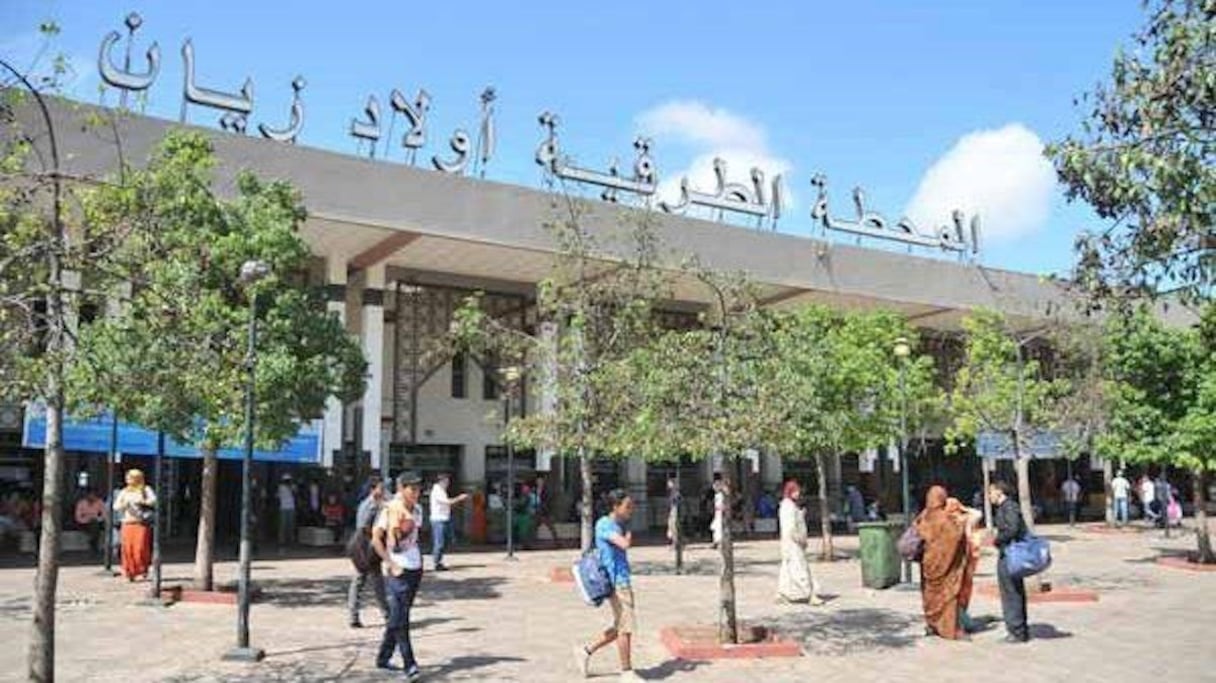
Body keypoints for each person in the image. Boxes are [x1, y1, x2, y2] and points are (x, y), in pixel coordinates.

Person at [573, 489, 642, 682]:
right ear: (615, 507)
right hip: (616, 581)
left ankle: (586, 651)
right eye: (627, 506)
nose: (630, 510)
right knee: (626, 626)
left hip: (621, 579)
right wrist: (628, 531)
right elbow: (624, 544)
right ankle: (626, 671)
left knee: (621, 624)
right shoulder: (605, 525)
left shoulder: (617, 524)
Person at [372, 472, 426, 681]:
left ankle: (383, 656)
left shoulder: (418, 509)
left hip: (415, 566)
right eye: (412, 489)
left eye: (418, 489)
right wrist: (390, 563)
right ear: (401, 488)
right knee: (402, 617)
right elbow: (376, 540)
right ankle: (409, 664)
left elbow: (413, 538)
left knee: (397, 615)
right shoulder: (390, 509)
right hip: (397, 570)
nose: (416, 493)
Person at [914, 485, 968, 640]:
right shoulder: (944, 518)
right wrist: (961, 524)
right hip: (946, 563)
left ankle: (931, 623)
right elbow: (955, 537)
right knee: (947, 595)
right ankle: (948, 629)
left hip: (928, 562)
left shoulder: (923, 516)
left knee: (929, 594)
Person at [989, 481, 1029, 643]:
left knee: (1011, 592)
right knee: (1013, 591)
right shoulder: (1004, 507)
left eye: (991, 492)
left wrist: (997, 540)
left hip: (1010, 554)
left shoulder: (1009, 506)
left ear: (999, 492)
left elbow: (1012, 529)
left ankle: (1016, 630)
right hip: (1008, 553)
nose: (989, 495)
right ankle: (1018, 628)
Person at [348, 476, 388, 629]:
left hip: (369, 546)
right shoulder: (369, 505)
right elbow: (363, 527)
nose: (383, 490)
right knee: (373, 582)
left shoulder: (378, 503)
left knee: (361, 581)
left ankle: (354, 615)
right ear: (373, 489)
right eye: (381, 488)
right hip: (366, 546)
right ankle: (386, 615)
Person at [776, 480, 824, 605]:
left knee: (787, 568)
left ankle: (782, 592)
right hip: (793, 543)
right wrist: (800, 539)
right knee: (799, 568)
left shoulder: (791, 505)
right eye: (795, 491)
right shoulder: (787, 506)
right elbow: (790, 527)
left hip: (790, 543)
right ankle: (809, 594)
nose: (798, 494)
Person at [945, 497, 983, 633]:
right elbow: (977, 514)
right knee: (960, 591)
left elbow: (978, 514)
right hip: (962, 562)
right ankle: (961, 620)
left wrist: (963, 510)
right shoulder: (957, 519)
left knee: (960, 591)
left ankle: (960, 620)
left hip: (963, 561)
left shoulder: (961, 519)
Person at [113, 469, 156, 582]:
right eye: (127, 478)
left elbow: (153, 501)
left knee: (140, 548)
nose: (127, 480)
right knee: (127, 549)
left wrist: (142, 501)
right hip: (127, 523)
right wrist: (124, 504)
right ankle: (129, 572)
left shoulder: (145, 489)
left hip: (141, 523)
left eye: (130, 477)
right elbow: (116, 506)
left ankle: (142, 569)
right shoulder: (124, 491)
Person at [429, 473, 469, 571]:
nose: (447, 483)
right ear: (441, 481)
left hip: (444, 518)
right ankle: (437, 562)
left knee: (446, 541)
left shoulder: (442, 490)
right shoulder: (437, 491)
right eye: (446, 481)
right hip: (438, 519)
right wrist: (459, 498)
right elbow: (447, 502)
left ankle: (439, 560)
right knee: (440, 542)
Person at [74, 489, 106, 555]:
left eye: (93, 495)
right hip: (83, 523)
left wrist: (97, 518)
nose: (92, 497)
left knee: (95, 525)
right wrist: (87, 520)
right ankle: (93, 544)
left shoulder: (99, 502)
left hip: (96, 522)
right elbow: (78, 516)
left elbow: (104, 514)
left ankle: (92, 541)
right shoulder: (81, 503)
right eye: (90, 495)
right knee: (94, 526)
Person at [533, 476, 559, 547]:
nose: (539, 482)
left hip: (545, 511)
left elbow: (548, 500)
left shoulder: (546, 490)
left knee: (550, 526)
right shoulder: (535, 490)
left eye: (540, 481)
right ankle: (532, 542)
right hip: (538, 511)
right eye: (538, 481)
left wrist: (546, 507)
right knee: (534, 527)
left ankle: (557, 542)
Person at [277, 474, 297, 548]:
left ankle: (291, 540)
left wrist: (291, 488)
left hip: (291, 507)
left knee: (291, 524)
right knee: (283, 525)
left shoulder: (293, 487)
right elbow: (278, 496)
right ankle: (282, 541)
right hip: (283, 507)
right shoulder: (281, 487)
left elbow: (295, 494)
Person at [710, 477, 726, 549]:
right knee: (714, 527)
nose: (714, 487)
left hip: (720, 513)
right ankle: (715, 542)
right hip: (717, 513)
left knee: (719, 528)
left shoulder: (721, 495)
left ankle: (718, 542)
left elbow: (723, 504)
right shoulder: (717, 495)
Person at [665, 477, 681, 547]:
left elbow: (676, 502)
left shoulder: (675, 492)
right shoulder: (671, 492)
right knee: (671, 526)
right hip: (672, 510)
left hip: (674, 510)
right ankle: (674, 542)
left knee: (673, 527)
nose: (668, 484)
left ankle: (676, 543)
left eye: (670, 483)